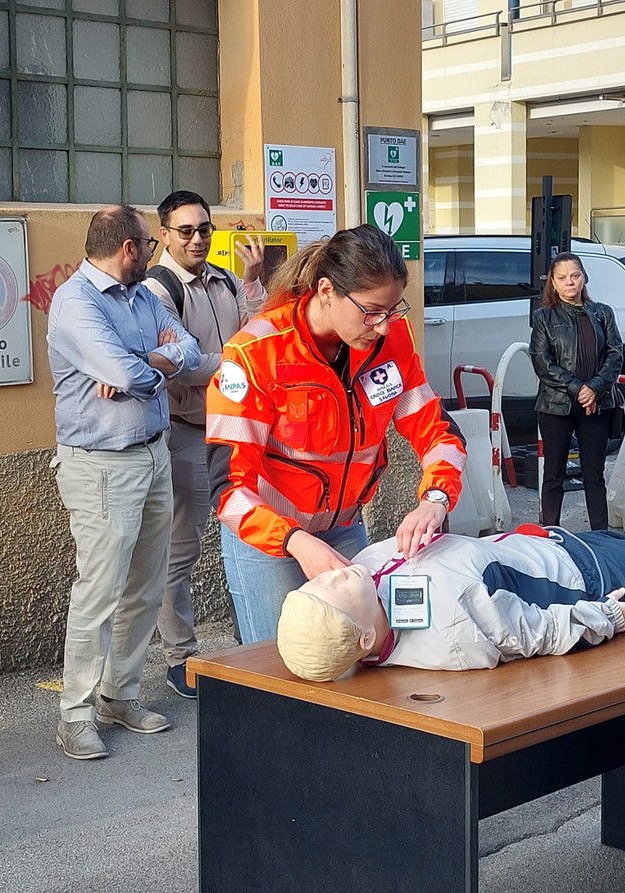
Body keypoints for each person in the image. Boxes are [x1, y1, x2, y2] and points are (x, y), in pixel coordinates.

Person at [205, 224, 467, 645]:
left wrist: (435, 501)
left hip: (344, 526)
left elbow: (439, 434)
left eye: (392, 309)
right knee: (279, 669)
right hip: (271, 541)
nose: (382, 327)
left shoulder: (391, 341)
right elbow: (227, 490)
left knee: (354, 658)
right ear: (327, 291)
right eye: (371, 311)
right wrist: (295, 542)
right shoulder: (255, 354)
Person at [47, 205, 202, 760]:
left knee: (146, 582)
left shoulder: (141, 297)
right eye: (150, 243)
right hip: (102, 464)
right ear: (130, 248)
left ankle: (121, 692)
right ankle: (75, 714)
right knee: (100, 590)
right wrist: (146, 367)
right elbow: (131, 376)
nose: (157, 251)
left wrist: (147, 362)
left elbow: (187, 350)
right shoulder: (75, 303)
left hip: (152, 453)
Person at [275, 510, 625, 680]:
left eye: (318, 580)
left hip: (541, 545)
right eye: (332, 590)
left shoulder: (362, 576)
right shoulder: (452, 632)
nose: (331, 574)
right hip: (583, 578)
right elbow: (531, 634)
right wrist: (603, 618)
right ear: (364, 639)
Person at [144, 191, 267, 700]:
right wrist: (234, 364)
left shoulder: (221, 279)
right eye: (187, 231)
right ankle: (180, 655)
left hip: (235, 431)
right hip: (188, 431)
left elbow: (258, 334)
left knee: (251, 535)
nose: (198, 239)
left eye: (204, 229)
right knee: (182, 549)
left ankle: (252, 643)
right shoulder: (157, 289)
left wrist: (255, 281)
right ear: (166, 235)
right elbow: (179, 362)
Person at [529, 252, 624, 530]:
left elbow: (615, 354)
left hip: (598, 403)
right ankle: (549, 532)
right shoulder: (544, 317)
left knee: (594, 474)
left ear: (584, 278)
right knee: (553, 473)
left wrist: (594, 388)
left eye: (575, 275)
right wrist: (577, 388)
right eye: (562, 278)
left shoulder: (602, 312)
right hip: (555, 405)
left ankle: (601, 534)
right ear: (554, 284)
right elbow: (541, 361)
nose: (570, 282)